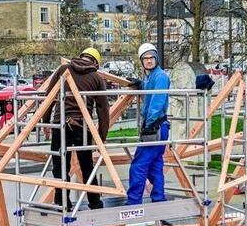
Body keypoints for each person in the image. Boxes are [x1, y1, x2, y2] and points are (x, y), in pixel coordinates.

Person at [44, 47, 110, 210]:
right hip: (82, 125)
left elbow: (49, 97)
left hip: (60, 124)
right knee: (86, 164)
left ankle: (62, 203)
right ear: (95, 62)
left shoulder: (63, 69)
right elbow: (103, 110)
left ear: (81, 56)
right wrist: (101, 138)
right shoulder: (96, 77)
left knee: (60, 165)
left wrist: (46, 123)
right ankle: (95, 202)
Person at [126, 43, 171, 205]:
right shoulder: (152, 77)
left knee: (139, 165)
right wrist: (141, 85)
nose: (149, 61)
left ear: (156, 58)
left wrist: (149, 124)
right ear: (142, 61)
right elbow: (150, 91)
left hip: (155, 126)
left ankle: (133, 203)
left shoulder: (160, 76)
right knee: (155, 165)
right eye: (145, 59)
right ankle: (159, 199)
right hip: (159, 126)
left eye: (151, 57)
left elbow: (157, 102)